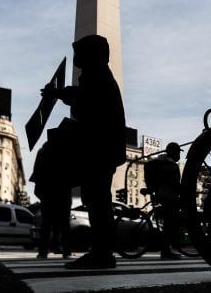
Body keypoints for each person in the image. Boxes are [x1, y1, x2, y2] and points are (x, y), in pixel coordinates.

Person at [42, 35, 127, 269]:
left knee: (98, 199)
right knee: (97, 198)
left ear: (91, 54)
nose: (76, 57)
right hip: (103, 146)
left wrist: (58, 94)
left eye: (79, 52)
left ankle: (102, 253)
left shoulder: (96, 73)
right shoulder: (98, 73)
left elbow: (85, 98)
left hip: (101, 146)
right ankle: (102, 251)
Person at [29, 127, 71, 259]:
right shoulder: (64, 152)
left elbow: (37, 171)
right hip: (62, 191)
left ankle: (43, 251)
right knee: (63, 223)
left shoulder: (43, 151)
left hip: (47, 191)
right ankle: (65, 249)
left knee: (47, 223)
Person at [144, 142, 184, 259]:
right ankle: (166, 251)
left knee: (168, 223)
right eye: (177, 152)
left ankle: (166, 249)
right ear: (173, 152)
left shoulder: (159, 162)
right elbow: (174, 183)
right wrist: (183, 191)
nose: (179, 155)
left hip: (160, 194)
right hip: (168, 196)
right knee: (169, 224)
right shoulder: (171, 165)